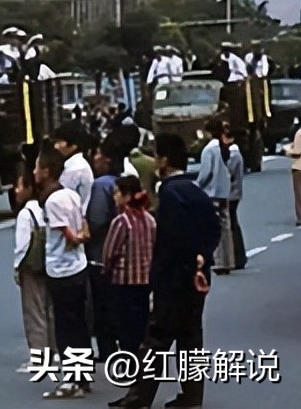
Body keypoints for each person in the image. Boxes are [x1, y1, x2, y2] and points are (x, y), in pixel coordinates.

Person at [111, 134, 221, 409]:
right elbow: (214, 229)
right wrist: (202, 257)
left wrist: (159, 280)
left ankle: (139, 397)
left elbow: (171, 241)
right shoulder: (196, 191)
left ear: (164, 160)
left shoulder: (170, 194)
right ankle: (192, 395)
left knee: (156, 339)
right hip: (197, 279)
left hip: (173, 280)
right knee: (190, 338)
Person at [33, 146, 91, 400]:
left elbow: (69, 235)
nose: (34, 172)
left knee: (65, 328)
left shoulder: (53, 201)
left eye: (37, 167)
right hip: (79, 266)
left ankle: (71, 380)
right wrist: (81, 237)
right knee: (79, 324)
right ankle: (83, 376)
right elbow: (83, 226)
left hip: (61, 270)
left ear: (47, 171)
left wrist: (76, 238)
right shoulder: (71, 195)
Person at [102, 174, 155, 356]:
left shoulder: (121, 222)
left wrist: (106, 270)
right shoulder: (150, 220)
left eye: (117, 193)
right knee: (141, 325)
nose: (114, 196)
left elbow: (109, 253)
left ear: (127, 196)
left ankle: (128, 361)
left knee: (125, 327)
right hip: (145, 281)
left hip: (124, 282)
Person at [12, 168, 54, 364]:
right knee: (50, 307)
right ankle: (54, 348)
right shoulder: (45, 207)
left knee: (34, 310)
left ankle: (39, 352)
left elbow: (22, 244)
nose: (16, 190)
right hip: (49, 262)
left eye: (19, 186)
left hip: (31, 265)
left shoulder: (25, 213)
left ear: (29, 188)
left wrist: (16, 266)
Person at [86, 141, 121, 361]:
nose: (94, 158)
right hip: (120, 256)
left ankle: (107, 349)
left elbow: (97, 220)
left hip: (100, 254)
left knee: (101, 305)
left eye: (97, 154)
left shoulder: (100, 185)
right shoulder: (120, 181)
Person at [194, 120, 234, 275]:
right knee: (226, 228)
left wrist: (197, 185)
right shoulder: (223, 147)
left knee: (214, 228)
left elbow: (206, 173)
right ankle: (228, 260)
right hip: (224, 192)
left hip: (212, 192)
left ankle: (218, 261)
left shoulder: (208, 150)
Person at [53, 121, 95, 213]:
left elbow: (60, 197)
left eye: (60, 142)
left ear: (73, 145)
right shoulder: (75, 163)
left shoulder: (75, 168)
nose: (56, 146)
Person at [225, 129, 247, 270]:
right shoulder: (235, 154)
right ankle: (238, 257)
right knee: (233, 224)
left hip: (231, 194)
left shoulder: (233, 155)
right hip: (234, 193)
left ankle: (237, 257)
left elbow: (228, 174)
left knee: (231, 226)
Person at [287, 124, 301, 226]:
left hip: (299, 166)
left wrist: (288, 150)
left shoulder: (300, 133)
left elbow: (297, 151)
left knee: (300, 193)